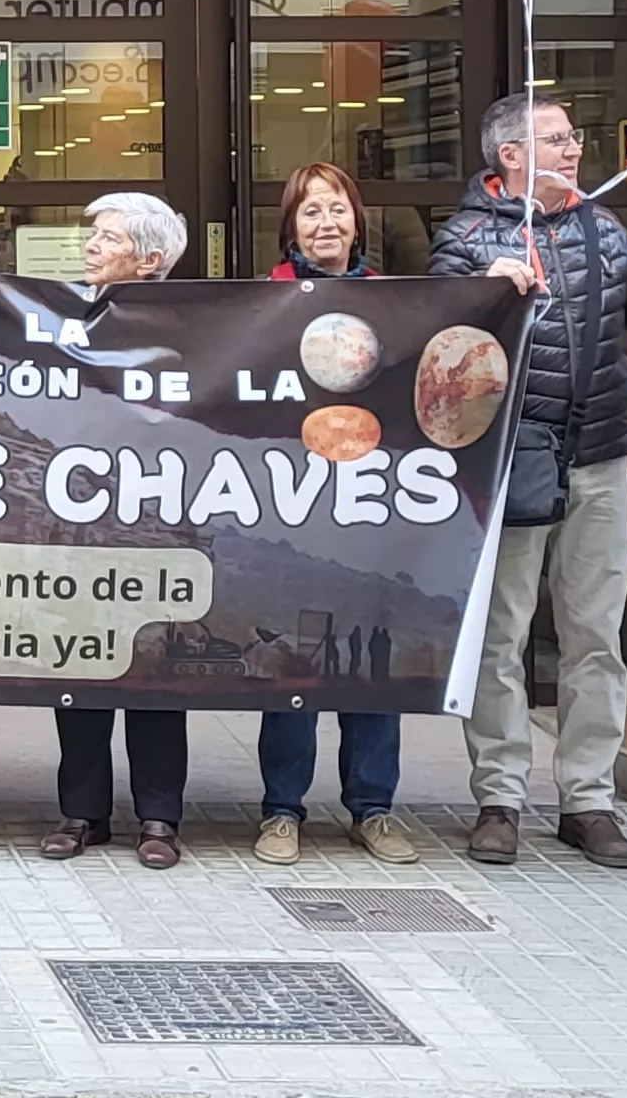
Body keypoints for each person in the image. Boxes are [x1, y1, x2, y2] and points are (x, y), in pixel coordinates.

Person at [432, 95, 627, 871]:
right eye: (555, 139)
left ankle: (588, 800)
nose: (572, 150)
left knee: (597, 636)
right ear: (511, 157)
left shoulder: (605, 227)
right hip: (511, 461)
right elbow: (440, 342)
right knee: (502, 636)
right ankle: (500, 794)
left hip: (599, 453)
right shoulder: (465, 238)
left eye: (572, 137)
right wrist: (481, 292)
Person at [255, 162, 418, 866]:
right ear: (291, 225)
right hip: (297, 510)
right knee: (295, 663)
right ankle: (281, 810)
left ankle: (373, 808)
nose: (327, 223)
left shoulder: (397, 303)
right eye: (311, 211)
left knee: (374, 661)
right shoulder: (266, 303)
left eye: (339, 210)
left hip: (374, 509)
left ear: (359, 220)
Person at [47, 192, 195, 872]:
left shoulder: (193, 328)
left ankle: (159, 813)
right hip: (81, 517)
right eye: (95, 235)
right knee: (79, 663)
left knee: (153, 668)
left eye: (108, 238)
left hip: (155, 518)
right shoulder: (64, 315)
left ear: (150, 259)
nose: (93, 246)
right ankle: (82, 811)